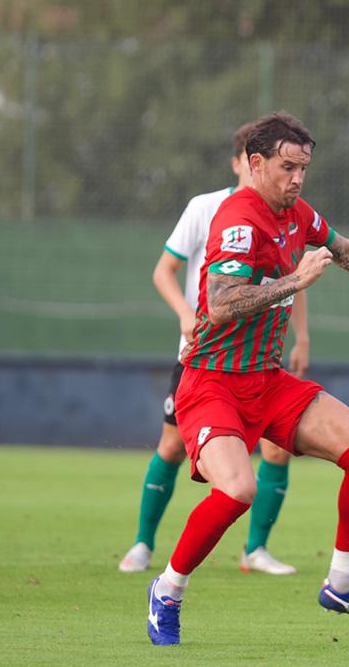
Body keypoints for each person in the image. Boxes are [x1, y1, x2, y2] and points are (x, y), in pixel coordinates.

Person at [145, 112, 349, 646]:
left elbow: (344, 249)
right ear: (256, 163)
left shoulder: (295, 212)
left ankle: (342, 582)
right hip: (212, 383)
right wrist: (295, 278)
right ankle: (167, 591)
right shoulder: (237, 220)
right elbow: (219, 305)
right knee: (238, 489)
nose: (297, 179)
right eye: (288, 168)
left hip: (267, 381)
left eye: (304, 169)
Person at [120, 122, 305, 577]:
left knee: (276, 451)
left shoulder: (287, 213)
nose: (291, 176)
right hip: (205, 356)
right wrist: (186, 314)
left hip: (260, 357)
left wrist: (302, 338)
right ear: (242, 162)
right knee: (172, 447)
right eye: (251, 159)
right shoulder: (206, 208)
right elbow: (164, 270)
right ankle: (143, 543)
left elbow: (295, 280)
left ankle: (255, 549)